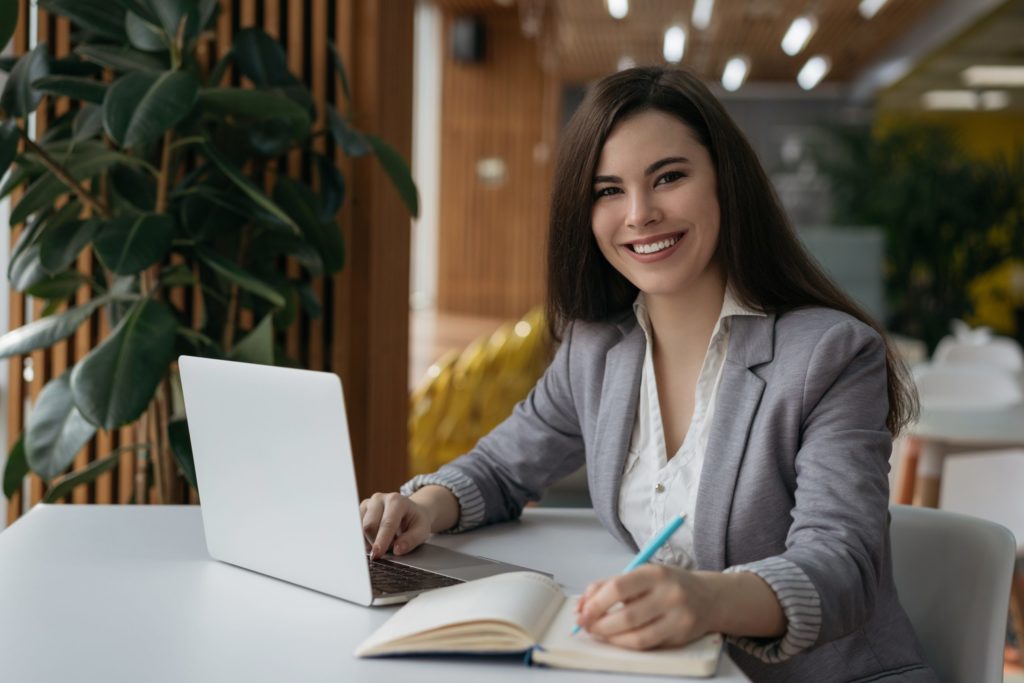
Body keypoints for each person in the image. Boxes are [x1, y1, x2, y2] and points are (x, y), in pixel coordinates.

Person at [360, 66, 936, 682]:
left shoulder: (829, 355)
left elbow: (842, 567)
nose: (640, 214)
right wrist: (422, 508)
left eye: (669, 177)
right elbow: (502, 468)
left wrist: (705, 600)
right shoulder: (596, 346)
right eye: (608, 190)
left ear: (724, 182)